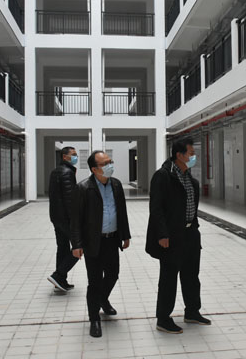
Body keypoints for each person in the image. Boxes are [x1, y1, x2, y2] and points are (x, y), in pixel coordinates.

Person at [146, 138, 211, 334]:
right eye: (191, 153)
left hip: (190, 234)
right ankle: (163, 318)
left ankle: (192, 311)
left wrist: (195, 228)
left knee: (191, 275)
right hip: (171, 236)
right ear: (179, 155)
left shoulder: (190, 178)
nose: (194, 157)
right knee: (169, 278)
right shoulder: (163, 176)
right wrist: (162, 234)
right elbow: (156, 208)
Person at [70, 151, 131, 338]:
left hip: (112, 239)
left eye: (110, 161)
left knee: (113, 275)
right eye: (105, 163)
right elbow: (75, 219)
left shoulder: (116, 185)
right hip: (93, 242)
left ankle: (102, 300)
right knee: (94, 281)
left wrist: (126, 235)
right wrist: (76, 245)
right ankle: (94, 318)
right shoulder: (83, 188)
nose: (110, 165)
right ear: (94, 169)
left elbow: (122, 212)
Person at [47, 146, 79, 292]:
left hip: (56, 217)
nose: (76, 157)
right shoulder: (67, 172)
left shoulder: (56, 171)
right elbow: (70, 199)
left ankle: (59, 281)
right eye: (73, 154)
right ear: (65, 157)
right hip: (66, 218)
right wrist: (75, 219)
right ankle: (59, 275)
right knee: (80, 246)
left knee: (62, 248)